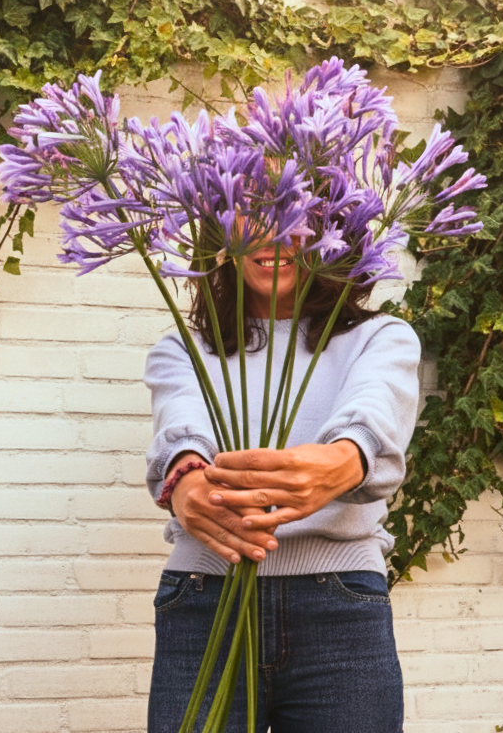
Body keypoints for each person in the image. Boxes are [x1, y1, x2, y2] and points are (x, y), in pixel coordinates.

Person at [143, 237, 421, 733]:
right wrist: (186, 482)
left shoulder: (381, 337)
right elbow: (181, 431)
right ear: (220, 228)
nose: (275, 231)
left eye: (296, 208)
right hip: (205, 599)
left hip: (341, 609)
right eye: (252, 205)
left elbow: (373, 415)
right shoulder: (182, 348)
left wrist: (344, 459)